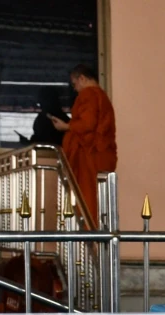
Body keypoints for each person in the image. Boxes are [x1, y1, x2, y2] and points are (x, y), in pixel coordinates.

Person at [52, 65, 117, 228]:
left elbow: (87, 124)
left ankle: (88, 239)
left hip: (89, 154)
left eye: (74, 84)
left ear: (82, 78)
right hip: (102, 155)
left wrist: (66, 127)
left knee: (86, 201)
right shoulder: (103, 97)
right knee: (98, 200)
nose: (75, 89)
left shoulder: (89, 94)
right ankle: (96, 238)